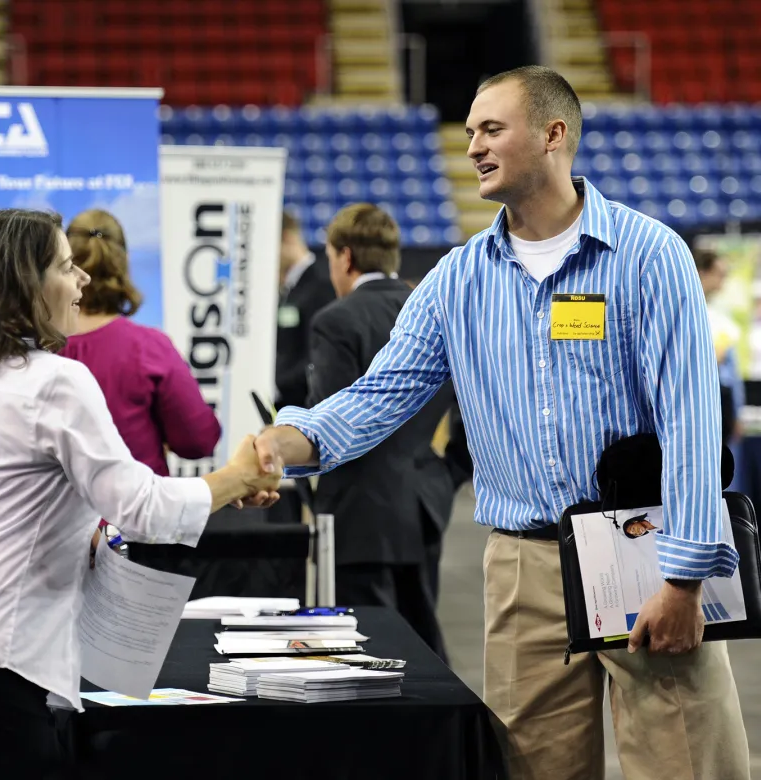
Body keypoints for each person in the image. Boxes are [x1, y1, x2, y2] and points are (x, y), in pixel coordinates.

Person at [252, 66, 750, 779]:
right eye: (469, 134)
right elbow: (377, 396)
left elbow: (691, 422)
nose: (474, 148)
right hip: (523, 568)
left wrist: (685, 578)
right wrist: (283, 443)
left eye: (492, 129)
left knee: (686, 763)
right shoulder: (457, 279)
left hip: (648, 550)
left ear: (554, 135)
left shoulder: (649, 256)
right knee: (531, 768)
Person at [0, 208, 281, 779]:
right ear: (27, 283)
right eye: (67, 267)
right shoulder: (53, 380)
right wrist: (238, 477)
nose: (84, 280)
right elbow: (141, 507)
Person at [306, 202, 451, 657]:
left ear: (345, 257)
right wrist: (450, 472)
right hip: (425, 502)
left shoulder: (336, 321)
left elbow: (330, 418)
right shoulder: (431, 313)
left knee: (364, 652)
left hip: (356, 511)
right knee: (423, 644)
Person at [60, 209, 220, 476]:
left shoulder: (34, 347)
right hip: (136, 512)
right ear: (124, 262)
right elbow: (198, 439)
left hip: (52, 514)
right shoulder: (149, 348)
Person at [275, 210, 336, 410]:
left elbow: (319, 356)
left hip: (305, 408)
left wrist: (277, 383)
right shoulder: (290, 289)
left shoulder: (321, 285)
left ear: (286, 239)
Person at [694, 246, 744, 446]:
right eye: (719, 275)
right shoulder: (689, 313)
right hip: (700, 400)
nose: (722, 282)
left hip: (721, 397)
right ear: (702, 273)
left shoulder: (718, 315)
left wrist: (737, 411)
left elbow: (731, 372)